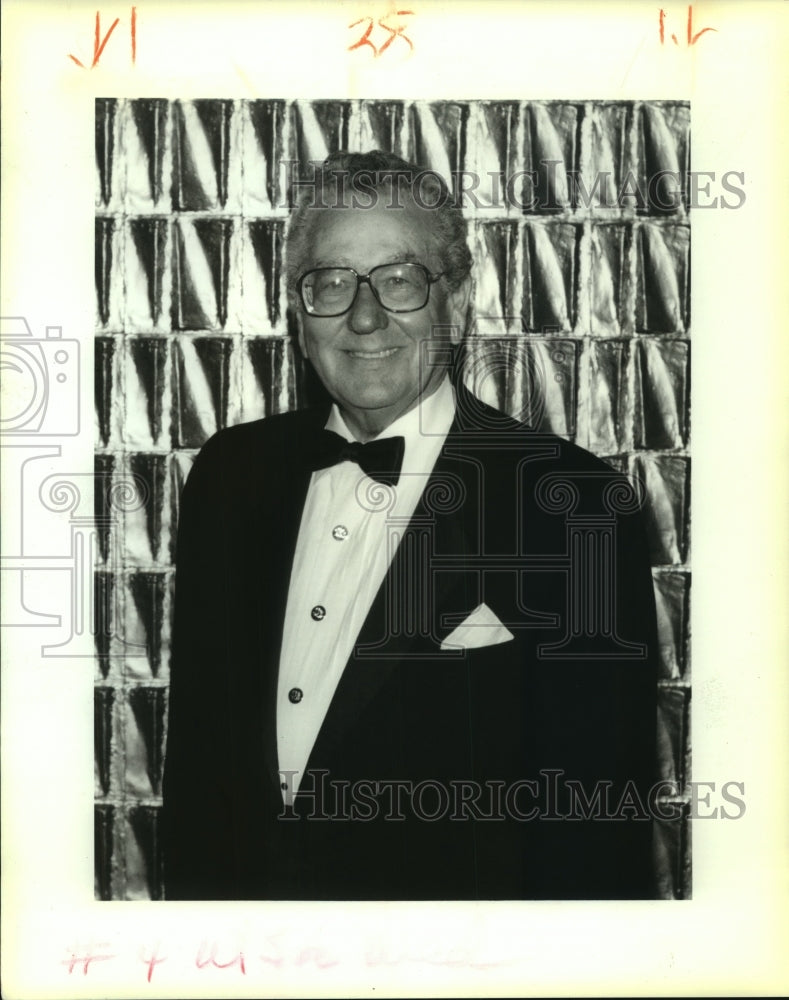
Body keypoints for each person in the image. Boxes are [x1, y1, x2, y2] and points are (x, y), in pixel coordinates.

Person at [162, 150, 658, 901]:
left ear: (453, 304)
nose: (363, 317)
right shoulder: (229, 478)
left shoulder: (572, 503)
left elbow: (594, 830)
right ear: (299, 318)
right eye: (330, 282)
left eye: (398, 279)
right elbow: (196, 771)